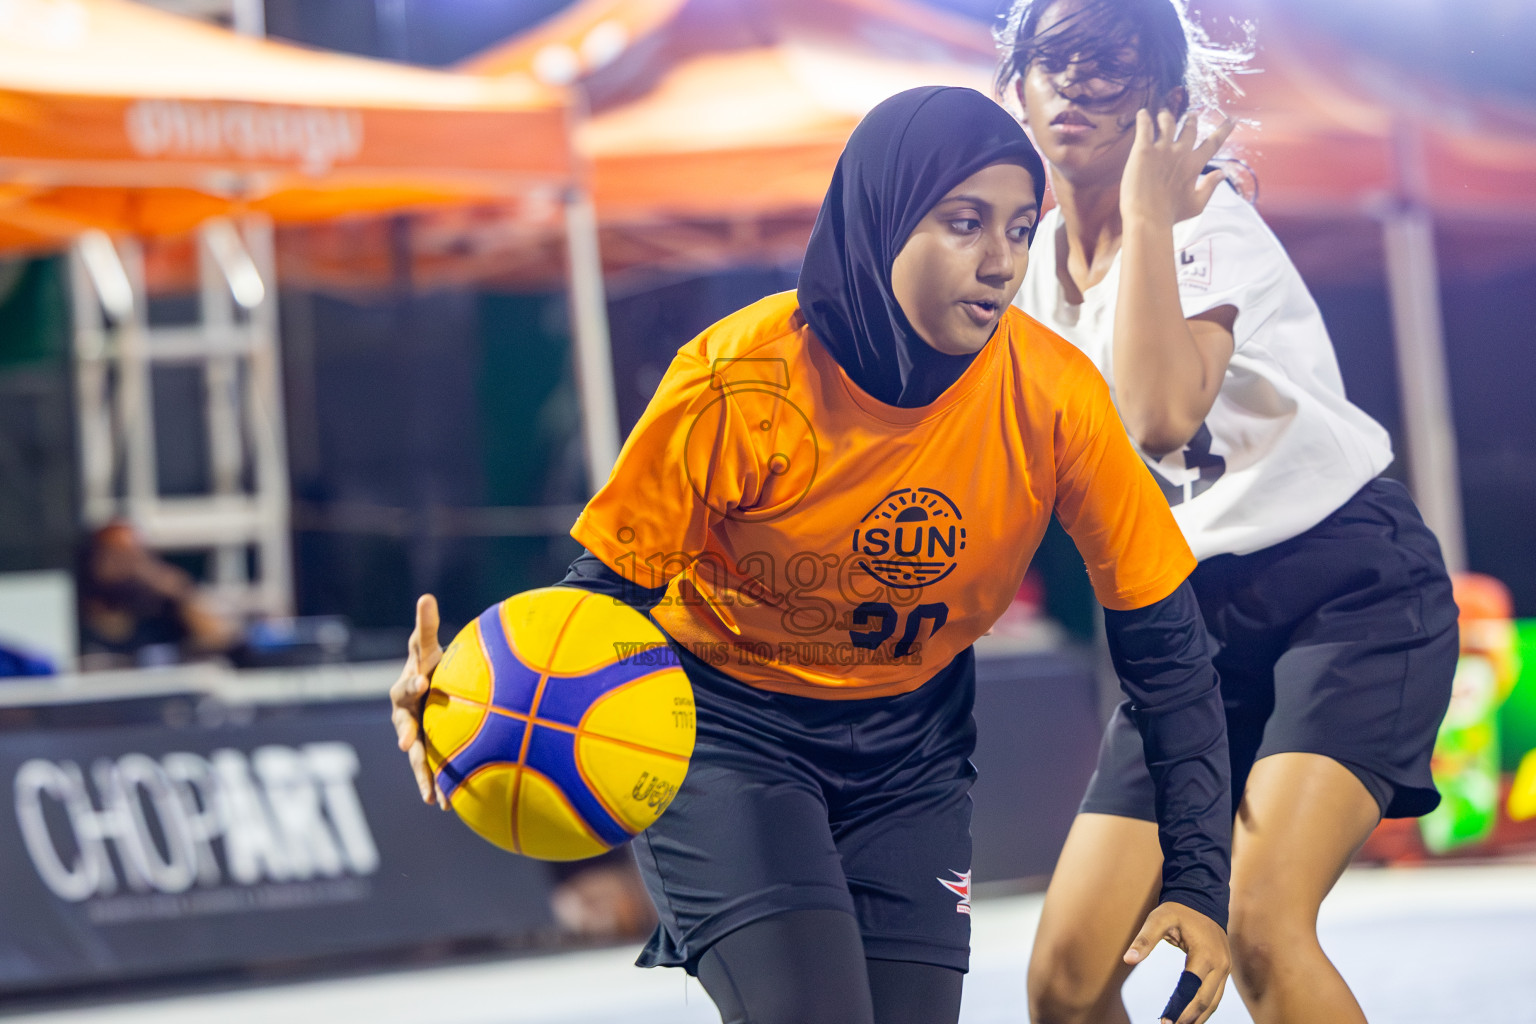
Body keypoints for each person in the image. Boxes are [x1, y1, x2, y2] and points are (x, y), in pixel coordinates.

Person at [393, 86, 1232, 1024]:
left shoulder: (1055, 396)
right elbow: (598, 602)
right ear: (879, 220)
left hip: (912, 750)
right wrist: (469, 694)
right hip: (724, 735)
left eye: (1021, 228)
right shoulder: (740, 377)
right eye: (964, 223)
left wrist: (1200, 880)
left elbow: (1169, 655)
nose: (1002, 261)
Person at [997, 2, 1460, 1022]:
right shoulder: (1025, 268)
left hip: (1347, 591)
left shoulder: (1207, 220)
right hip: (1195, 630)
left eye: (1110, 66)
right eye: (1054, 62)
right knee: (1067, 983)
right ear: (1016, 89)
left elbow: (1162, 415)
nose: (1076, 85)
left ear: (1165, 102)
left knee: (1259, 923)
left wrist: (1150, 215)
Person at [77, 519, 243, 669]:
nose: (126, 566)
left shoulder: (162, 610)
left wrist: (176, 589)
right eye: (116, 558)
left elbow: (222, 636)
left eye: (134, 557)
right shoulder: (76, 614)